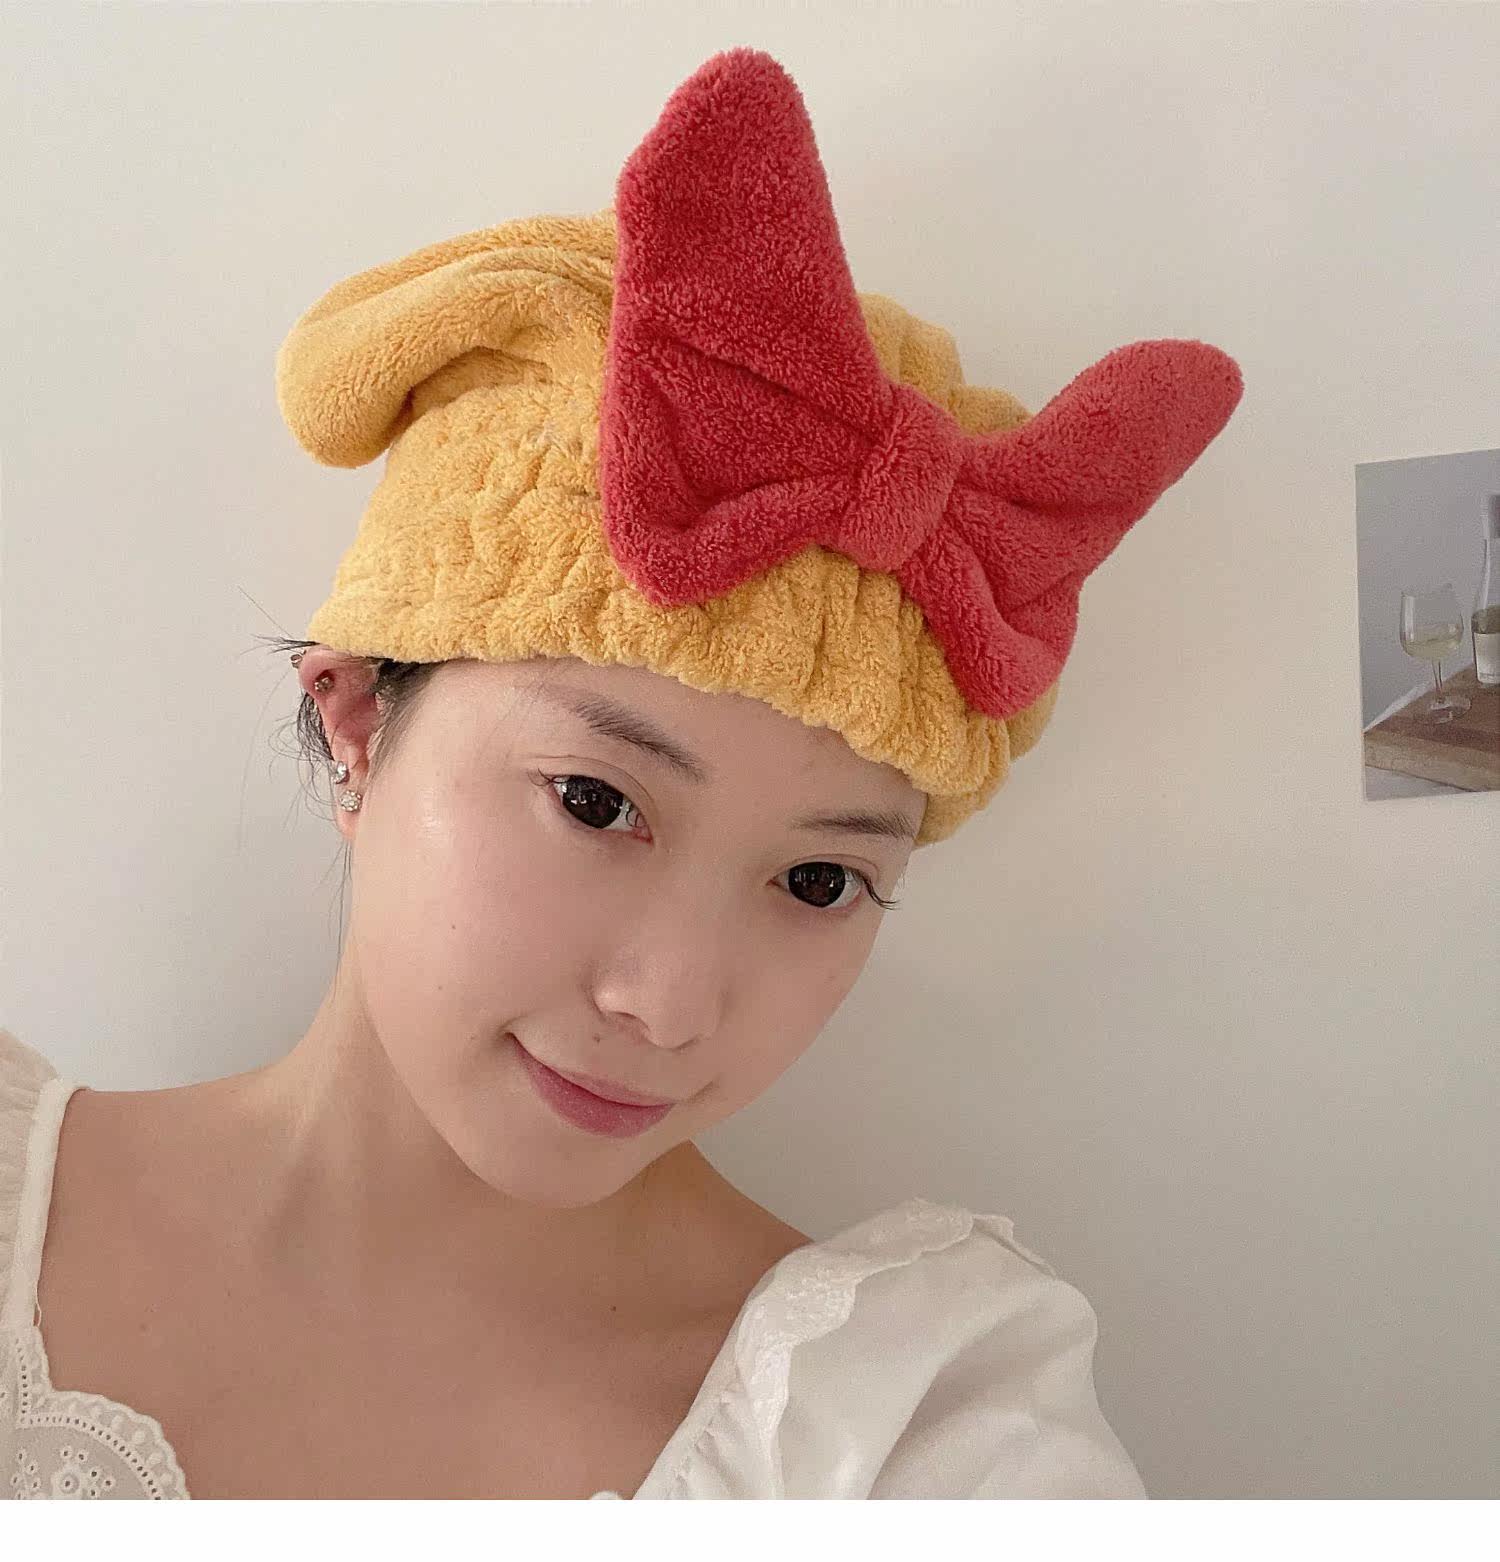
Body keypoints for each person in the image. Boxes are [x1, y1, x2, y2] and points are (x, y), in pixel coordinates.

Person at [0, 46, 1242, 1500]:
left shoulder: (901, 1426)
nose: (671, 1003)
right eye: (596, 803)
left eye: (821, 879)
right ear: (356, 719)